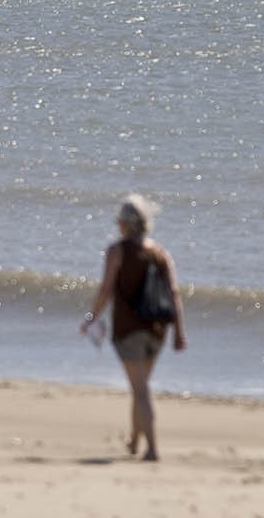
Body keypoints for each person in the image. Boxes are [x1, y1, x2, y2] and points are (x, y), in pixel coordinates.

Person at [79, 194, 186, 461]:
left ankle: (152, 448)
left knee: (140, 390)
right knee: (141, 387)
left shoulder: (117, 251)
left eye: (119, 221)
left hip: (129, 328)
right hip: (157, 329)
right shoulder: (160, 253)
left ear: (126, 224)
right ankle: (134, 443)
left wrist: (92, 317)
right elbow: (174, 293)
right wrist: (179, 332)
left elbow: (105, 290)